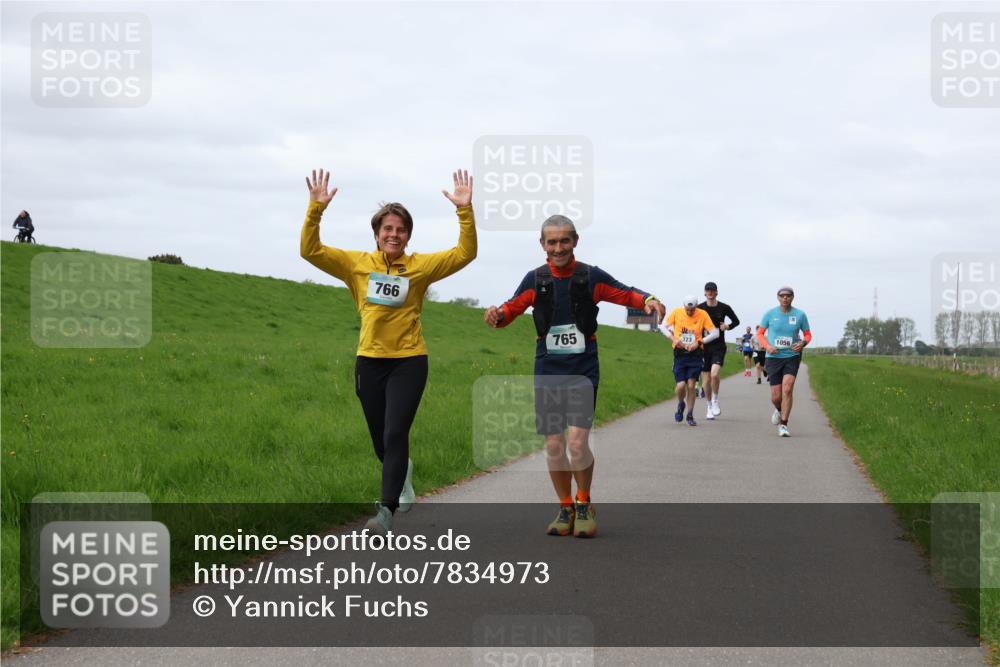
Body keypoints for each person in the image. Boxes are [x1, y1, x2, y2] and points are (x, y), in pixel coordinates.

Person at [300, 168, 477, 534]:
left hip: (410, 360)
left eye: (400, 230)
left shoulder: (419, 267)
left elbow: (465, 253)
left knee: (396, 433)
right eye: (388, 229)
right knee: (381, 438)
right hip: (369, 360)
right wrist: (315, 209)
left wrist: (465, 210)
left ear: (408, 235)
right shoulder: (356, 265)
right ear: (378, 235)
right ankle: (403, 475)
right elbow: (310, 250)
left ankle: (385, 511)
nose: (394, 235)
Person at [484, 215, 663, 538]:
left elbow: (625, 293)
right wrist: (495, 316)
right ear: (542, 245)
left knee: (578, 444)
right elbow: (508, 312)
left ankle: (584, 503)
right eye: (551, 242)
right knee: (554, 445)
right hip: (548, 368)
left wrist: (649, 300)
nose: (558, 247)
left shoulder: (590, 276)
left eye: (564, 240)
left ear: (576, 241)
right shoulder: (535, 279)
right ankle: (565, 506)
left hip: (583, 369)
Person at [758, 286, 812, 437]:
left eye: (788, 296)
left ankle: (784, 425)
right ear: (778, 297)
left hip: (792, 356)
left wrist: (803, 343)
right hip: (773, 357)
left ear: (792, 297)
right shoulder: (770, 314)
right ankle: (779, 409)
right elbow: (760, 333)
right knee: (776, 396)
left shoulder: (800, 315)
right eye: (782, 296)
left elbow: (807, 334)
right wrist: (767, 346)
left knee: (787, 389)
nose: (785, 298)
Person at [663, 296, 718, 427]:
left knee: (692, 385)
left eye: (692, 310)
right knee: (681, 386)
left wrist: (700, 342)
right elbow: (663, 326)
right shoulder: (677, 312)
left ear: (696, 307)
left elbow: (715, 333)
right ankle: (681, 403)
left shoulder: (703, 314)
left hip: (696, 355)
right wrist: (673, 338)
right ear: (684, 307)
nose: (689, 312)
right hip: (680, 354)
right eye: (687, 310)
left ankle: (690, 414)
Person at [698, 282, 740, 420]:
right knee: (706, 379)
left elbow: (736, 321)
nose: (710, 292)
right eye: (708, 290)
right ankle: (709, 406)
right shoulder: (700, 308)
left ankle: (715, 400)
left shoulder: (724, 307)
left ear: (716, 292)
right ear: (704, 292)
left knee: (714, 374)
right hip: (703, 346)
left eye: (712, 290)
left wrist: (727, 326)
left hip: (718, 346)